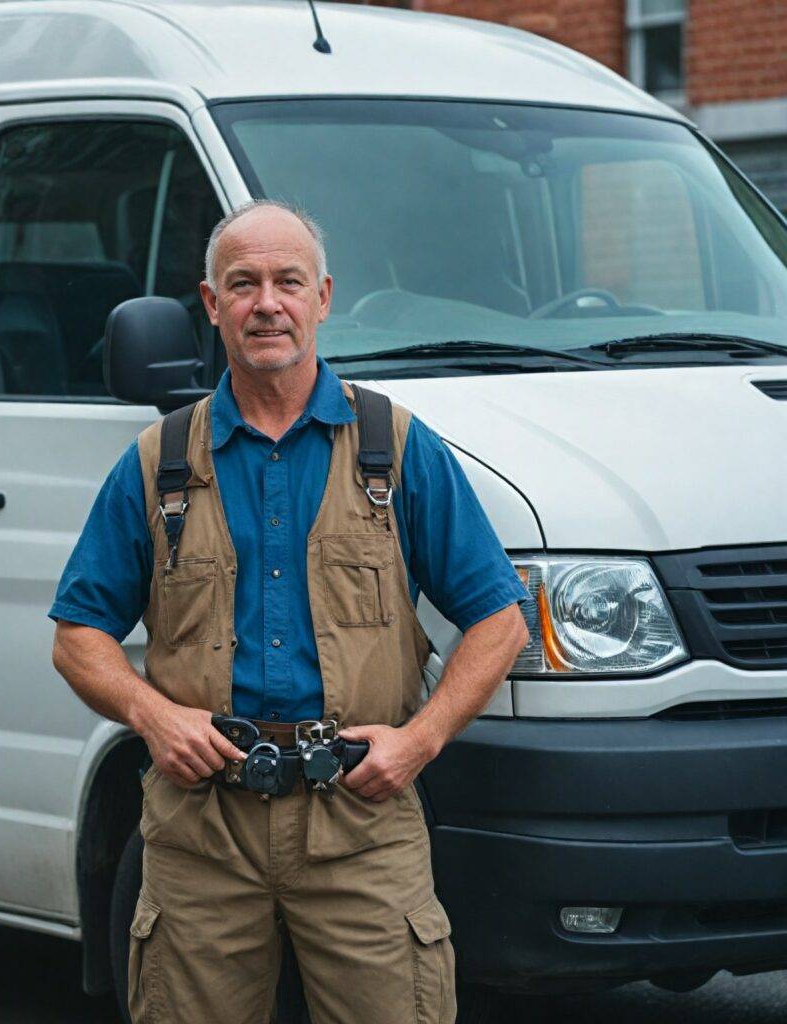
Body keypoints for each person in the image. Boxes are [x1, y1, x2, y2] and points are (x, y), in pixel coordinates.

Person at [49, 200, 530, 1024]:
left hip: (360, 820)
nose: (266, 303)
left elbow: (502, 619)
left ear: (323, 297)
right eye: (243, 284)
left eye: (287, 281)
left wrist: (421, 741)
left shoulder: (399, 448)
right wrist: (152, 716)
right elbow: (76, 636)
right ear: (211, 304)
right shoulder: (159, 462)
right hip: (201, 829)